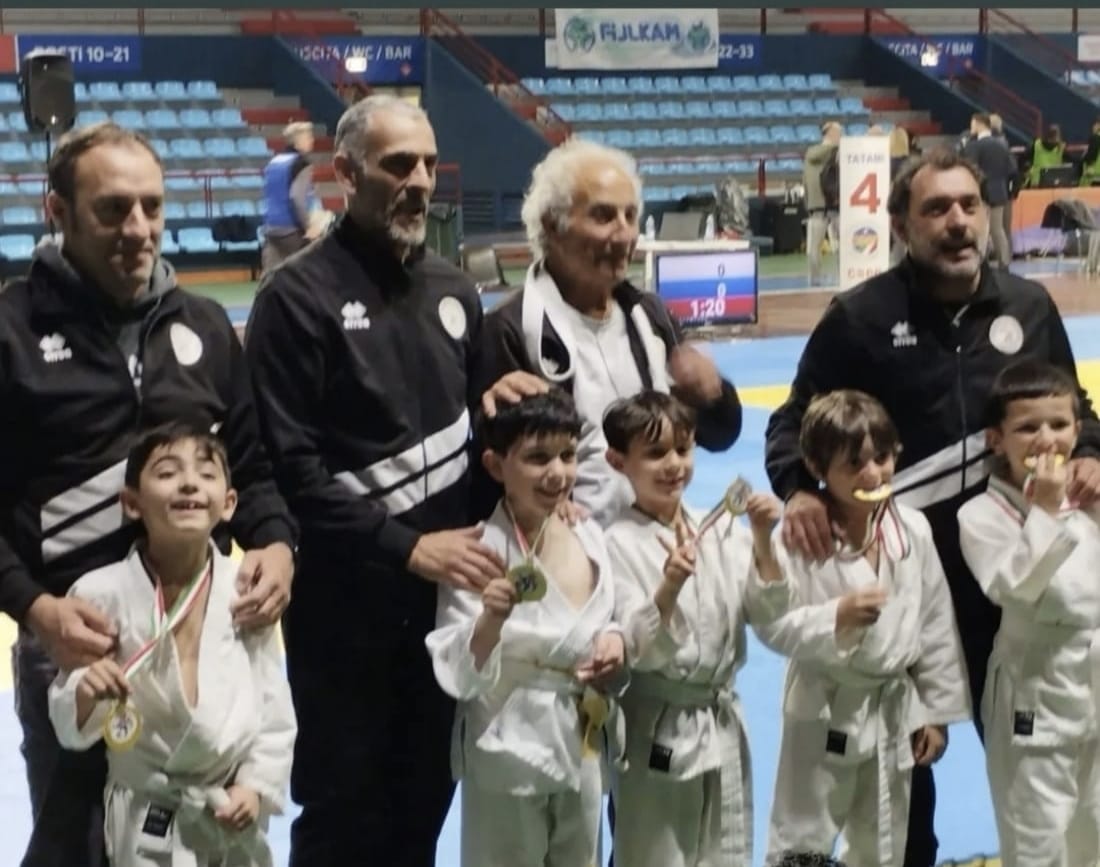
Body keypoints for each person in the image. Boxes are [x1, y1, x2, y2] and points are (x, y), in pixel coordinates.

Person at [763, 147, 1100, 867]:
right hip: (907, 581)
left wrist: (1092, 455)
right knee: (900, 798)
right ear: (900, 226)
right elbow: (792, 422)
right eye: (936, 209)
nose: (957, 222)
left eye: (969, 206)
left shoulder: (1028, 307)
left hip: (1017, 576)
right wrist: (799, 489)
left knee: (1049, 777)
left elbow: (1077, 411)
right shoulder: (861, 317)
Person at [0, 121, 296, 867]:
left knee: (209, 837)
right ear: (58, 212)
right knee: (71, 847)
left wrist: (275, 543)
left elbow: (253, 467)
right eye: (113, 209)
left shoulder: (204, 325)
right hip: (76, 648)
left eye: (152, 207)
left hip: (204, 640)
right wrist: (37, 610)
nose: (139, 229)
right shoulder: (10, 332)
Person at [244, 94, 529, 866]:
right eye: (398, 164)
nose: (419, 181)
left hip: (445, 613)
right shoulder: (294, 299)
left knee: (421, 812)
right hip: (345, 617)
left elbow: (480, 442)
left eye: (428, 164)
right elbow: (288, 469)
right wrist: (407, 546)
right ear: (345, 172)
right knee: (342, 821)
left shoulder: (454, 290)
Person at [47, 421, 297, 867]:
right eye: (167, 472)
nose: (189, 483)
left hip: (228, 813)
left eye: (206, 473)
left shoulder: (246, 592)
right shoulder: (100, 594)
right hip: (144, 816)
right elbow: (69, 717)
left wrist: (256, 786)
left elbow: (273, 708)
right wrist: (85, 693)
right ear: (131, 503)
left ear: (229, 503)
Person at [478, 137, 743, 528]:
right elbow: (492, 469)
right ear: (553, 224)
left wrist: (712, 395)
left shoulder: (650, 316)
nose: (623, 235)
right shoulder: (509, 331)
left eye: (630, 216)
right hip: (567, 546)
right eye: (603, 216)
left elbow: (718, 437)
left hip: (655, 544)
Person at [758, 390, 970, 867]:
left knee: (883, 841)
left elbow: (936, 624)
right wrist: (835, 618)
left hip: (892, 707)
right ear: (817, 468)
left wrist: (936, 712)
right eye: (854, 464)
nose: (873, 473)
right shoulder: (799, 539)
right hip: (822, 706)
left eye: (882, 458)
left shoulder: (911, 529)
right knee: (801, 838)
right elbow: (772, 625)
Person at [426, 388, 627, 867]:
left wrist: (615, 643)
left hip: (582, 736)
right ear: (496, 466)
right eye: (538, 458)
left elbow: (613, 618)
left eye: (567, 456)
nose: (557, 473)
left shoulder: (588, 533)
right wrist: (489, 622)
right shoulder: (478, 549)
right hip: (507, 745)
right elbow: (457, 673)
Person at [602, 390, 790, 867]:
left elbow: (767, 613)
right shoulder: (614, 542)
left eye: (683, 450)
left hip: (720, 715)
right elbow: (637, 649)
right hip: (655, 722)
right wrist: (668, 588)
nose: (673, 465)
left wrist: (763, 540)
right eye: (655, 453)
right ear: (618, 461)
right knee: (654, 856)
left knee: (722, 853)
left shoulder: (718, 528)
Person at [958, 360, 1100, 867]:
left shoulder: (1091, 499)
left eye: (1059, 424)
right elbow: (1015, 588)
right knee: (1036, 845)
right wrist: (1046, 509)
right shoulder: (980, 514)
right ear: (996, 440)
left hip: (1094, 687)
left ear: (1078, 431)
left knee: (1094, 836)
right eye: (1027, 428)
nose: (1045, 439)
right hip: (1033, 697)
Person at [260, 120, 322, 272]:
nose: (312, 140)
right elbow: (297, 197)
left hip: (271, 228)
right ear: (297, 141)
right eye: (308, 137)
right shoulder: (301, 163)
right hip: (291, 230)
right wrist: (309, 226)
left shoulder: (274, 161)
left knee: (271, 277)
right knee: (308, 274)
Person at [963, 113, 1016, 269]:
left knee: (981, 230)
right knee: (997, 230)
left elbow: (970, 168)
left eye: (972, 124)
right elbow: (1011, 169)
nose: (971, 128)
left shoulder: (974, 146)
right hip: (1000, 192)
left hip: (982, 193)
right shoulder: (1002, 145)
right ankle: (1004, 263)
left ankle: (981, 263)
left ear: (979, 125)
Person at [803, 121, 841, 287]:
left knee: (815, 246)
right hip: (830, 205)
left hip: (819, 206)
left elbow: (805, 181)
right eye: (839, 132)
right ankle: (839, 275)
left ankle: (816, 278)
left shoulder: (812, 155)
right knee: (837, 244)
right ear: (831, 133)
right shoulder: (832, 152)